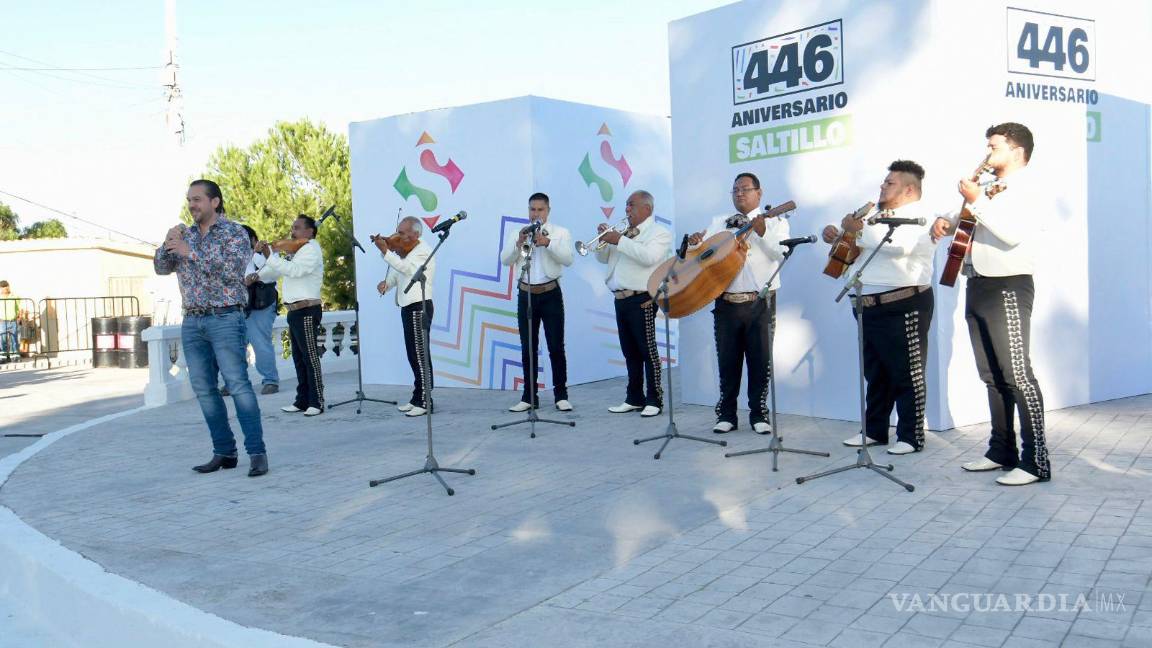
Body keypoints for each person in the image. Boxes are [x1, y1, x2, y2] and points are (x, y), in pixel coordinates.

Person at [932, 122, 1050, 486]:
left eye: (993, 146)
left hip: (1009, 284)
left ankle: (1036, 461)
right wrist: (944, 219)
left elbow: (1011, 233)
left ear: (1016, 151)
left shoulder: (1030, 187)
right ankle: (1001, 451)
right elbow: (965, 218)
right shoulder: (987, 187)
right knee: (992, 376)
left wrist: (976, 200)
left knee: (1017, 373)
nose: (987, 153)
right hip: (978, 282)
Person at [154, 179, 267, 477]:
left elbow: (233, 271)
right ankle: (224, 452)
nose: (192, 205)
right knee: (204, 389)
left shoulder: (234, 233)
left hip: (226, 318)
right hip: (192, 320)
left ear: (214, 202)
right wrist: (167, 243)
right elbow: (161, 268)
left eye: (197, 199)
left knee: (238, 386)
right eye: (189, 199)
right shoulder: (185, 235)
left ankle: (256, 452)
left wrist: (191, 253)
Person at [821, 160, 935, 455]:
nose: (883, 186)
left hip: (903, 302)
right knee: (875, 372)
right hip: (866, 304)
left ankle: (910, 436)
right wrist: (838, 235)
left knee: (907, 372)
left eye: (890, 183)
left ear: (909, 189)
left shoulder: (920, 215)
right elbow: (857, 249)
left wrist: (856, 232)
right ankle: (874, 430)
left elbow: (898, 246)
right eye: (884, 182)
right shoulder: (874, 215)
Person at [688, 172, 787, 435]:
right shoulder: (719, 222)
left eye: (745, 189)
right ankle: (727, 414)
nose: (739, 194)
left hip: (760, 302)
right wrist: (696, 244)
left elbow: (781, 252)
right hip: (726, 302)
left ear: (759, 192)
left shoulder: (776, 221)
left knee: (760, 360)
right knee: (727, 360)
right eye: (735, 190)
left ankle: (759, 414)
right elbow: (702, 255)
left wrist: (764, 232)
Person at [596, 190, 672, 417]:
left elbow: (648, 257)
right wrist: (604, 240)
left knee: (648, 350)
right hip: (620, 298)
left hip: (643, 298)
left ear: (647, 208)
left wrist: (619, 240)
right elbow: (603, 259)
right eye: (627, 205)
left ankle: (655, 399)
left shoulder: (659, 233)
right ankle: (634, 397)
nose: (627, 209)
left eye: (632, 205)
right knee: (630, 351)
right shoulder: (623, 232)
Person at [500, 192, 575, 412]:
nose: (536, 213)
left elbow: (568, 259)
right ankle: (529, 396)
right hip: (526, 294)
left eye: (540, 209)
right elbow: (505, 260)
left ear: (548, 211)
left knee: (555, 346)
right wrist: (518, 243)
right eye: (532, 209)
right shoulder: (518, 232)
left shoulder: (560, 232)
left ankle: (561, 395)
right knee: (528, 347)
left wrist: (548, 243)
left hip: (551, 293)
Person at [257, 216, 325, 416]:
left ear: (310, 231)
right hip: (295, 311)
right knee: (299, 358)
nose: (292, 232)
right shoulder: (296, 251)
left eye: (297, 228)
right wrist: (256, 275)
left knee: (310, 357)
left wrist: (271, 256)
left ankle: (317, 401)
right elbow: (275, 270)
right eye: (292, 228)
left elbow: (294, 271)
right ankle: (302, 400)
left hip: (307, 310)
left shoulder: (311, 250)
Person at [374, 216, 436, 417]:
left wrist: (385, 252)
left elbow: (409, 270)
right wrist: (387, 284)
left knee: (420, 354)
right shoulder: (406, 251)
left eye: (402, 233)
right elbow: (398, 272)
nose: (397, 236)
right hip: (407, 306)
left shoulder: (424, 251)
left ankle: (426, 400)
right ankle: (417, 396)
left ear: (415, 234)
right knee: (413, 354)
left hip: (420, 306)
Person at [218, 226, 279, 396]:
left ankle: (270, 380)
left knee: (260, 342)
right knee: (233, 346)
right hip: (237, 306)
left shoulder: (267, 253)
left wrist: (257, 254)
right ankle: (233, 382)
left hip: (260, 305)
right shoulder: (233, 257)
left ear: (253, 240)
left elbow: (271, 273)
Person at [0, 280, 19, 363]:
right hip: (2, 321)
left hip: (13, 321)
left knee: (14, 339)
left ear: (8, 286)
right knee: (3, 339)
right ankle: (3, 357)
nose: (5, 288)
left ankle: (15, 356)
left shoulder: (14, 296)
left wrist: (19, 317)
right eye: (3, 287)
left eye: (6, 286)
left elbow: (18, 307)